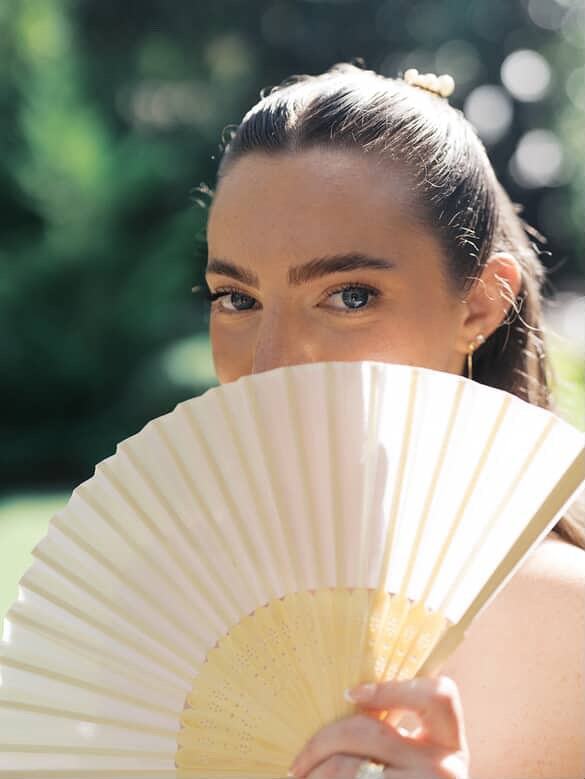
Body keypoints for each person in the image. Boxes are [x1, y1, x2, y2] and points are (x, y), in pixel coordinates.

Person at [199, 61, 585, 779]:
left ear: (476, 305)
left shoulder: (570, 634)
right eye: (236, 298)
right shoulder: (152, 597)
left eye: (348, 295)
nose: (272, 363)